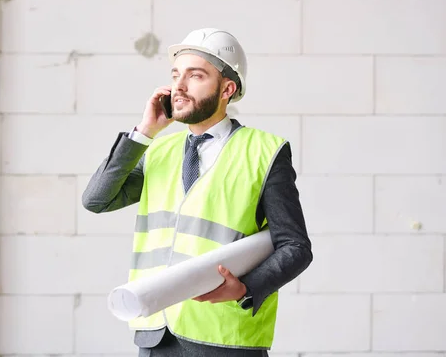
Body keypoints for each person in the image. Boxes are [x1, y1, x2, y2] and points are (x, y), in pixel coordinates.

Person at [82, 28, 313, 357]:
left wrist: (246, 288)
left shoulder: (265, 151)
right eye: (176, 75)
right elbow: (96, 200)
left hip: (225, 336)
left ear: (227, 89)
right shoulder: (157, 151)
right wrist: (144, 132)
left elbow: (296, 246)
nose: (179, 85)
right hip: (157, 335)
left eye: (196, 76)